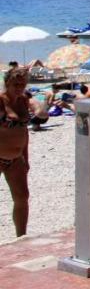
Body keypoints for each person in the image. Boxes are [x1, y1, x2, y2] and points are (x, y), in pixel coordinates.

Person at [1, 67, 32, 236]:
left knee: (22, 198)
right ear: (7, 83)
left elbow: (24, 132)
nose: (19, 87)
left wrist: (26, 158)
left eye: (22, 83)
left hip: (16, 159)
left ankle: (21, 236)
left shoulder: (23, 101)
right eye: (16, 84)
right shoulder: (0, 101)